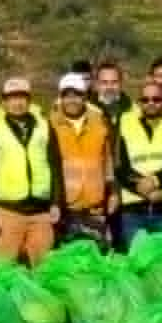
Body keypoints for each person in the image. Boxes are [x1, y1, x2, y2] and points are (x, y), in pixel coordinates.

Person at [0, 78, 61, 267]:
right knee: (3, 270)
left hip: (40, 213)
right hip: (7, 212)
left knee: (44, 270)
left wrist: (56, 203)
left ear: (29, 100)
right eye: (12, 98)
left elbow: (55, 165)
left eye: (22, 98)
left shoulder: (44, 126)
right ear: (4, 102)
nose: (17, 103)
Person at [114, 78, 162, 244]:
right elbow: (120, 166)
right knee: (137, 265)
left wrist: (155, 181)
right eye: (145, 100)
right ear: (139, 103)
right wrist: (143, 190)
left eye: (156, 99)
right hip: (134, 210)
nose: (151, 103)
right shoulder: (125, 123)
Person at [50, 73, 115, 249]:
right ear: (60, 97)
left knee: (97, 261)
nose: (72, 100)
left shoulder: (99, 123)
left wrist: (113, 192)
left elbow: (108, 162)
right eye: (67, 95)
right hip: (65, 208)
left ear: (84, 97)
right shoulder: (50, 125)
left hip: (95, 207)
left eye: (77, 95)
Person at [92, 61, 132, 126]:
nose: (109, 87)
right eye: (104, 82)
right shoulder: (85, 111)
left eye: (114, 82)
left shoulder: (134, 110)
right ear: (97, 84)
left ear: (121, 83)